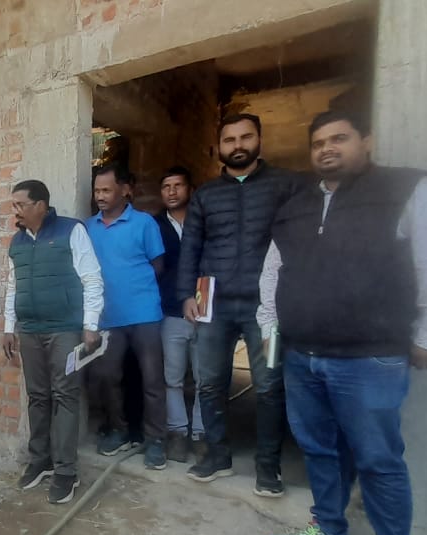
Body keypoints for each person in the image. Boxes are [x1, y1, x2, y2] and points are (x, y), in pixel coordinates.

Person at [261, 109, 427, 535]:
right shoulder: (297, 204)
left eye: (339, 138)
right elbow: (273, 270)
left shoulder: (405, 189)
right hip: (303, 354)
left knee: (377, 458)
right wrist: (269, 325)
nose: (327, 149)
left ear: (366, 140)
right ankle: (330, 534)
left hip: (370, 357)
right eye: (318, 143)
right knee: (319, 451)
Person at [177, 113, 295, 497]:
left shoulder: (285, 185)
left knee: (270, 385)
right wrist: (187, 295)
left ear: (259, 139)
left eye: (246, 137)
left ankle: (268, 466)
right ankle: (217, 456)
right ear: (219, 147)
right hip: (214, 305)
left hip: (268, 308)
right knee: (210, 382)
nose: (238, 145)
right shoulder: (206, 195)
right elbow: (191, 248)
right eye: (230, 140)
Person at [2, 179, 104, 505]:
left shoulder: (71, 231)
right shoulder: (17, 242)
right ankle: (40, 460)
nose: (15, 211)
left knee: (65, 396)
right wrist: (9, 327)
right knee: (37, 396)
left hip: (64, 330)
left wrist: (90, 325)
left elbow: (92, 278)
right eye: (13, 205)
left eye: (20, 204)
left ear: (41, 206)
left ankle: (66, 471)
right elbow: (13, 286)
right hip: (30, 329)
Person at [84, 165, 170, 470]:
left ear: (124, 190)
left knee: (152, 379)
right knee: (109, 377)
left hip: (144, 314)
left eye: (106, 190)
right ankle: (119, 431)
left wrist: (136, 289)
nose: (100, 196)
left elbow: (158, 265)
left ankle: (156, 440)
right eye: (97, 191)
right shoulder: (88, 228)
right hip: (108, 316)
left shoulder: (144, 223)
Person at [154, 166, 207, 462]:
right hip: (170, 311)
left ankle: (200, 433)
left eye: (178, 185)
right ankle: (177, 431)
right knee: (172, 377)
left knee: (203, 378)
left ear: (191, 189)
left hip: (205, 311)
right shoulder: (154, 225)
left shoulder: (204, 221)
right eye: (166, 186)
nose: (172, 192)